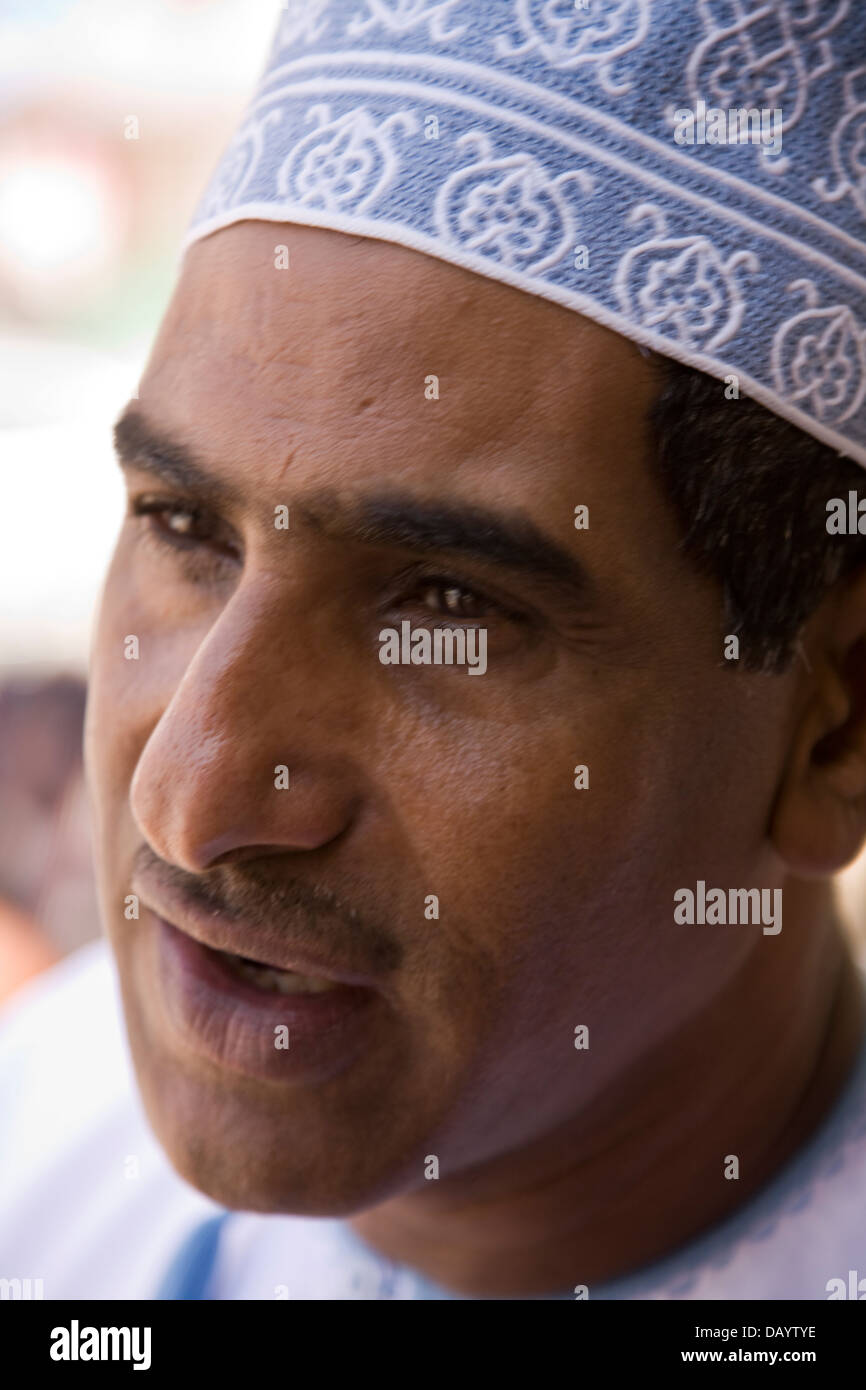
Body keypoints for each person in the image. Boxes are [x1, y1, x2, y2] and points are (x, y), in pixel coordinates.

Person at [3, 0, 866, 1301]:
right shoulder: (39, 1146)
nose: (185, 804)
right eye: (185, 527)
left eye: (447, 613)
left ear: (835, 722)